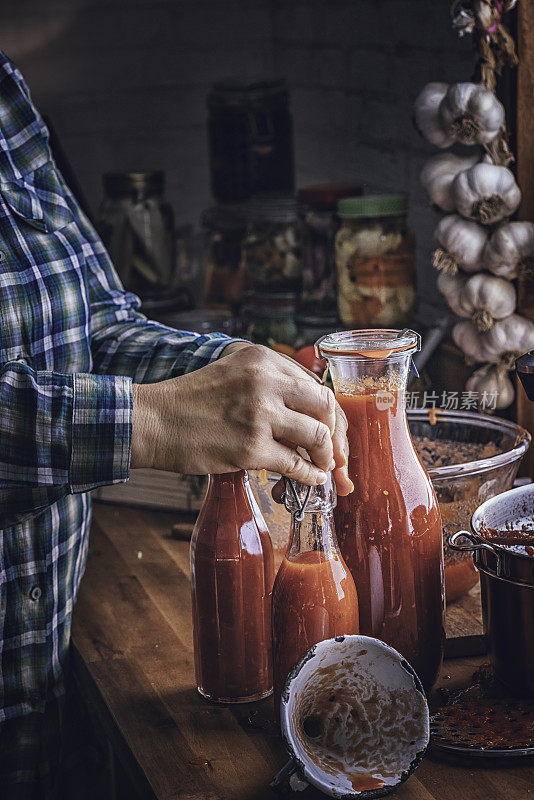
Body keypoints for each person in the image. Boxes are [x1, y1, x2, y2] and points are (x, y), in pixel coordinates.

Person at [0, 50, 352, 796]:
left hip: (41, 722)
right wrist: (145, 423)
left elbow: (97, 321)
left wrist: (237, 368)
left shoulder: (5, 93)